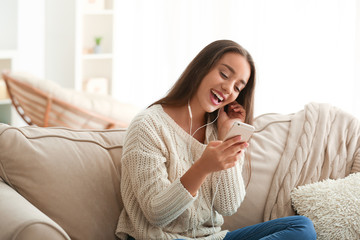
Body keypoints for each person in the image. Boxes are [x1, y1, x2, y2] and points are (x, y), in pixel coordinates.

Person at [116, 40, 317, 240]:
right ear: (201, 68)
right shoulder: (148, 125)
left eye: (238, 87)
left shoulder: (216, 129)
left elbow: (228, 206)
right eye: (224, 74)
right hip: (160, 238)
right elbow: (157, 214)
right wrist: (202, 167)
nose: (229, 89)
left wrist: (226, 136)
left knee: (302, 228)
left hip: (212, 238)